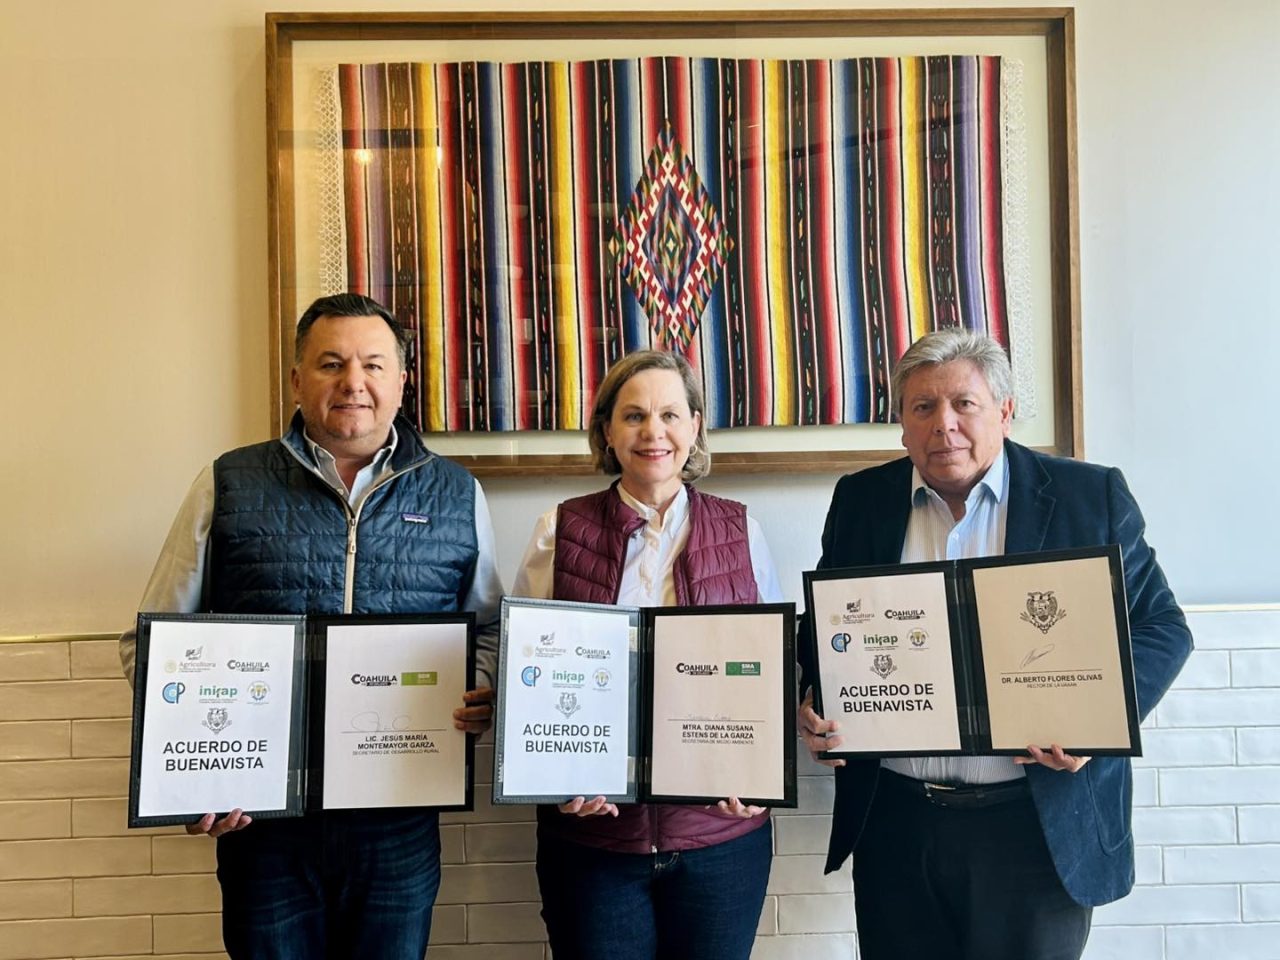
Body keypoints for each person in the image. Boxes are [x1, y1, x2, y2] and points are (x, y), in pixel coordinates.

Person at [119, 293, 503, 960]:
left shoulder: (456, 493)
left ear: (401, 380)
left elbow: (490, 629)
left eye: (373, 365)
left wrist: (480, 688)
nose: (353, 382)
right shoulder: (227, 482)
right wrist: (196, 771)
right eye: (331, 364)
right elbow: (151, 644)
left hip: (399, 818)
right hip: (264, 825)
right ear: (297, 379)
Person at [798, 328, 1192, 960]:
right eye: (923, 407)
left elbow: (1162, 626)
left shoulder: (1087, 496)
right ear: (902, 425)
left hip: (1035, 824)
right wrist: (813, 701)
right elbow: (822, 630)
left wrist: (1097, 723)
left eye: (964, 404)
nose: (944, 425)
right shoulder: (861, 500)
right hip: (897, 825)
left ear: (1005, 413)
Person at [512, 349, 783, 960]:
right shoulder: (559, 529)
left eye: (669, 414)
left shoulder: (742, 529)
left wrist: (762, 773)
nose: (652, 432)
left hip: (720, 840)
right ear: (607, 431)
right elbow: (525, 670)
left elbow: (771, 664)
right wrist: (552, 778)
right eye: (633, 416)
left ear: (694, 426)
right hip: (594, 844)